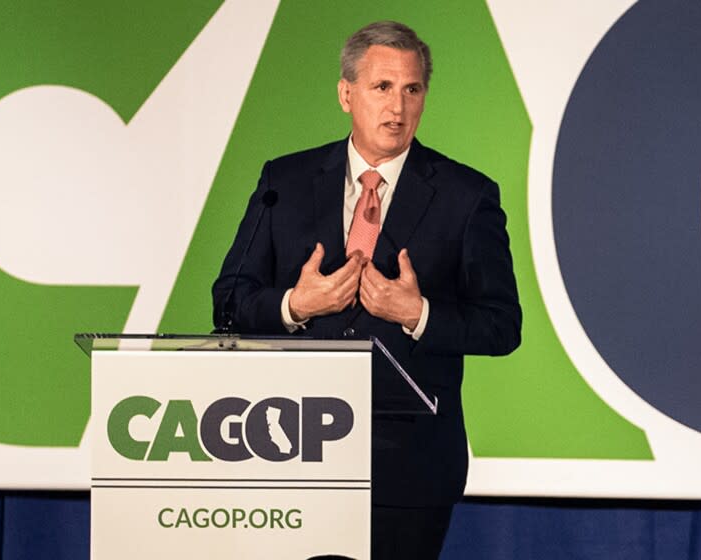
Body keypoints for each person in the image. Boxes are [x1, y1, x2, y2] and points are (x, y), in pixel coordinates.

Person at [212, 20, 522, 560]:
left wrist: (419, 313)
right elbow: (229, 302)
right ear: (346, 94)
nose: (397, 108)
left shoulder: (466, 196)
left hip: (410, 468)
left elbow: (502, 325)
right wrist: (296, 305)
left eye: (412, 89)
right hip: (292, 453)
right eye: (382, 88)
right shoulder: (282, 184)